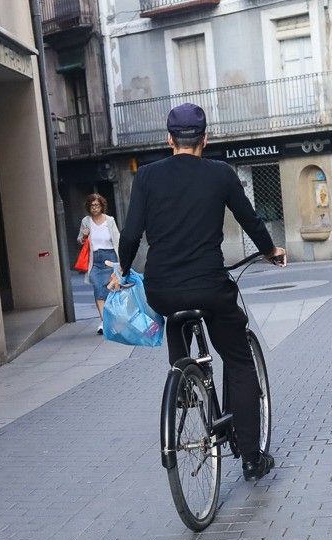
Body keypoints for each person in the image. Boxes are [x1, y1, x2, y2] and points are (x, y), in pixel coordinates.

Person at [109, 103, 286, 481]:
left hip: (163, 288)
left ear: (169, 139)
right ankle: (253, 459)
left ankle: (183, 374)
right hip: (209, 285)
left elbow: (130, 234)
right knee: (238, 359)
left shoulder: (148, 177)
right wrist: (270, 251)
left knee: (175, 313)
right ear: (205, 138)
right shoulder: (220, 174)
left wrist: (122, 270)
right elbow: (249, 219)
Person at [76, 194, 120, 335]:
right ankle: (105, 321)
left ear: (102, 206)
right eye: (92, 205)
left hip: (109, 258)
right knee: (97, 288)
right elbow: (80, 240)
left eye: (97, 205)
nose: (94, 208)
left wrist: (121, 262)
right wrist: (84, 236)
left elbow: (117, 240)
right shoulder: (86, 221)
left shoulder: (110, 220)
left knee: (108, 291)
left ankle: (107, 321)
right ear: (88, 207)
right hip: (94, 260)